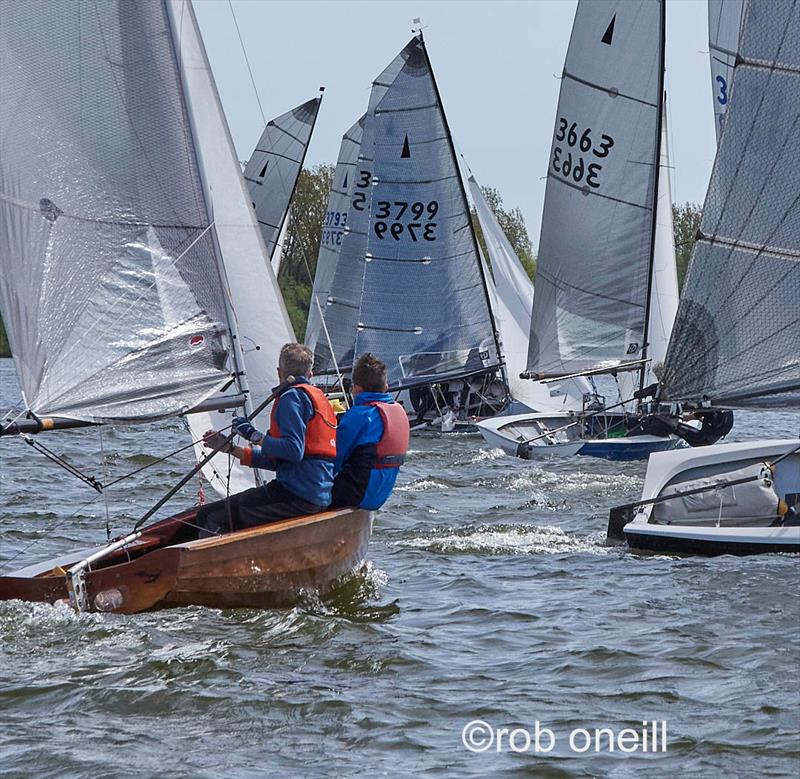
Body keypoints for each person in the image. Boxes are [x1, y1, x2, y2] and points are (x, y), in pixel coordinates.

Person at [196, 343, 337, 537]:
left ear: (279, 372)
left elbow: (293, 451)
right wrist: (229, 448)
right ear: (310, 374)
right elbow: (276, 460)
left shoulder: (291, 398)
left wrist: (254, 435)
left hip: (295, 497)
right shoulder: (318, 398)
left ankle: (212, 565)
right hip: (317, 496)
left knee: (209, 515)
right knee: (229, 511)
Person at [330, 353, 410, 511]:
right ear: (385, 387)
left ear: (356, 389)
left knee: (301, 495)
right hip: (381, 495)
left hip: (357, 493)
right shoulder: (400, 412)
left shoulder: (359, 415)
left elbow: (334, 459)